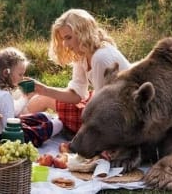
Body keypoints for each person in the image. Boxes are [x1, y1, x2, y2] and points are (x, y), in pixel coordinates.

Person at [24, 8, 131, 137]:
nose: (65, 44)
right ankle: (17, 123)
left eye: (69, 37)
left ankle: (16, 126)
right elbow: (76, 95)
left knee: (43, 100)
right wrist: (44, 89)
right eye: (63, 39)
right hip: (101, 105)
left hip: (121, 118)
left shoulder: (100, 57)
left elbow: (104, 108)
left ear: (83, 33)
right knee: (38, 96)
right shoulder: (82, 54)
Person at [0, 47, 62, 146]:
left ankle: (48, 121)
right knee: (58, 124)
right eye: (20, 74)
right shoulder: (4, 96)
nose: (22, 78)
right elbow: (10, 128)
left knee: (45, 116)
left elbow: (11, 112)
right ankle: (58, 125)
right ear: (6, 73)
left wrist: (26, 97)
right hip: (5, 139)